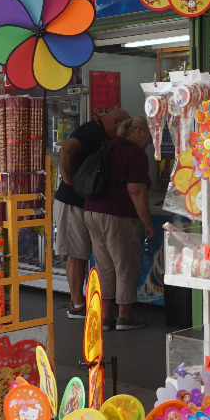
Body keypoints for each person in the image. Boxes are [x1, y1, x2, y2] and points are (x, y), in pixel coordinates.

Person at [55, 107, 129, 318]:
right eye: (122, 129)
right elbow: (66, 149)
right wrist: (69, 181)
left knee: (81, 253)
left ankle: (80, 301)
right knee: (76, 254)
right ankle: (76, 305)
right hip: (72, 202)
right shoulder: (91, 131)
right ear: (115, 121)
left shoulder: (100, 134)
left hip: (83, 202)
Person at [84, 115, 156, 330]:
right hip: (117, 215)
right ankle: (124, 316)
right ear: (139, 132)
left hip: (92, 211)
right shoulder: (134, 154)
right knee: (126, 264)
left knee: (104, 265)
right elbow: (136, 190)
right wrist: (147, 223)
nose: (149, 144)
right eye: (149, 138)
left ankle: (106, 317)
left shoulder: (107, 147)